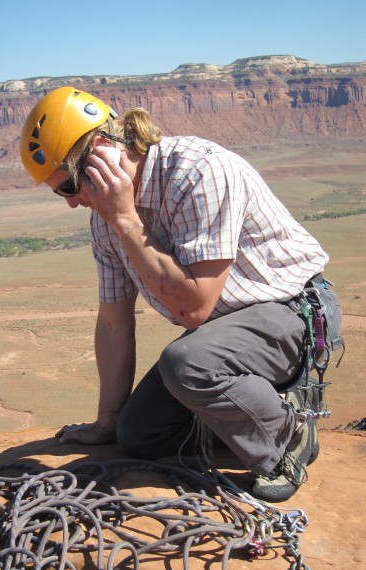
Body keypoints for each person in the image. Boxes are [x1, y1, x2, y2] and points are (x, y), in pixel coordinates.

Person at [19, 86, 343, 502]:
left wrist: (125, 218)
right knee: (138, 433)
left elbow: (193, 307)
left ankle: (287, 437)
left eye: (69, 187)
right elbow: (113, 323)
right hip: (228, 332)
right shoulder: (105, 220)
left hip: (293, 310)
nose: (72, 204)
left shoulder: (198, 172)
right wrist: (106, 423)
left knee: (186, 363)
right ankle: (252, 412)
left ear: (101, 151)